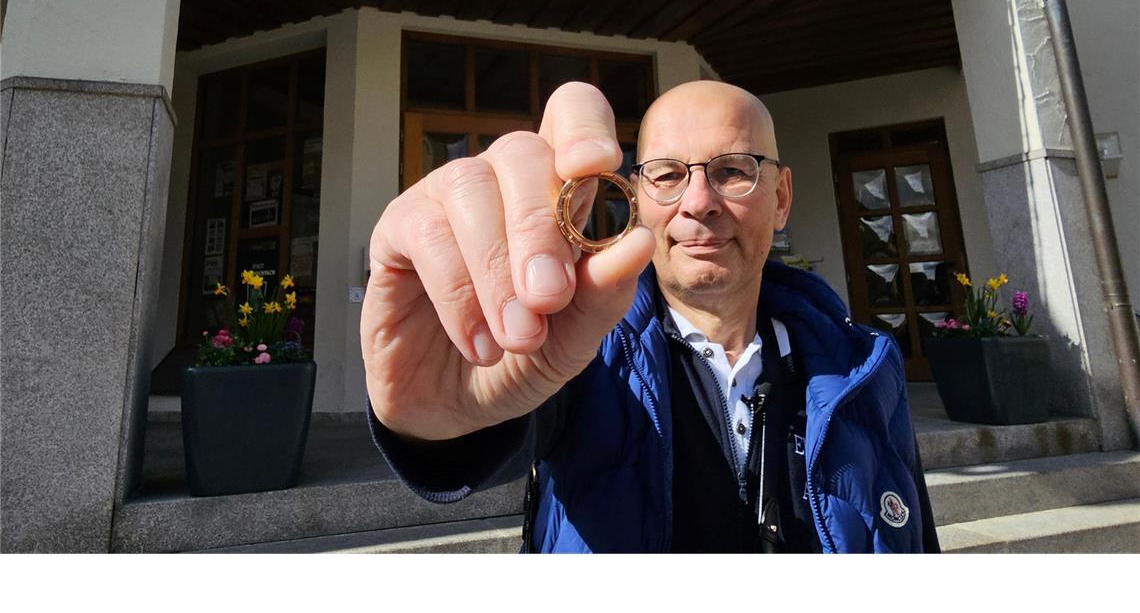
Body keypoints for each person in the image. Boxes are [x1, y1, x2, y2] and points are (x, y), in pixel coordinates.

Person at [361, 80, 939, 553]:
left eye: (734, 170)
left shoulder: (867, 366)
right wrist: (436, 419)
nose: (698, 201)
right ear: (635, 196)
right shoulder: (579, 358)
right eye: (666, 174)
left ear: (782, 197)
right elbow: (498, 426)